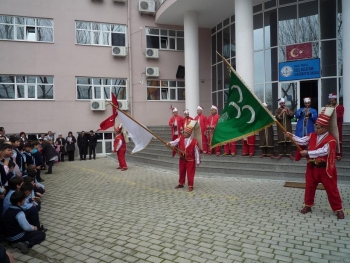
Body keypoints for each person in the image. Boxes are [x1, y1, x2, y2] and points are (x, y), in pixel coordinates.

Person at [285, 107, 344, 219]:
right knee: (309, 187)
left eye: (318, 127)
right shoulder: (312, 135)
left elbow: (323, 151)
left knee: (332, 189)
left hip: (325, 169)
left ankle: (338, 209)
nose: (315, 128)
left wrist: (308, 152)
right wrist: (291, 135)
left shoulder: (331, 140)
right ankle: (308, 205)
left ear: (325, 128)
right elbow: (302, 141)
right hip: (312, 167)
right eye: (316, 126)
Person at [168, 122, 200, 192]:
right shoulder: (180, 138)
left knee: (190, 173)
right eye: (184, 132)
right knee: (181, 171)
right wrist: (169, 143)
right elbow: (175, 142)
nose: (183, 134)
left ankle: (190, 185)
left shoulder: (194, 142)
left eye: (185, 133)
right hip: (182, 158)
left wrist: (197, 161)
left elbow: (196, 152)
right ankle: (181, 183)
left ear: (189, 134)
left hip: (190, 160)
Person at [328, 93, 344, 161]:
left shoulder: (340, 107)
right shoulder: (329, 107)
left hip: (337, 125)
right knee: (330, 139)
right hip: (330, 125)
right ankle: (331, 153)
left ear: (335, 100)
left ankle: (338, 154)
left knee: (338, 139)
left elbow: (340, 116)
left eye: (332, 100)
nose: (331, 102)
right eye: (330, 100)